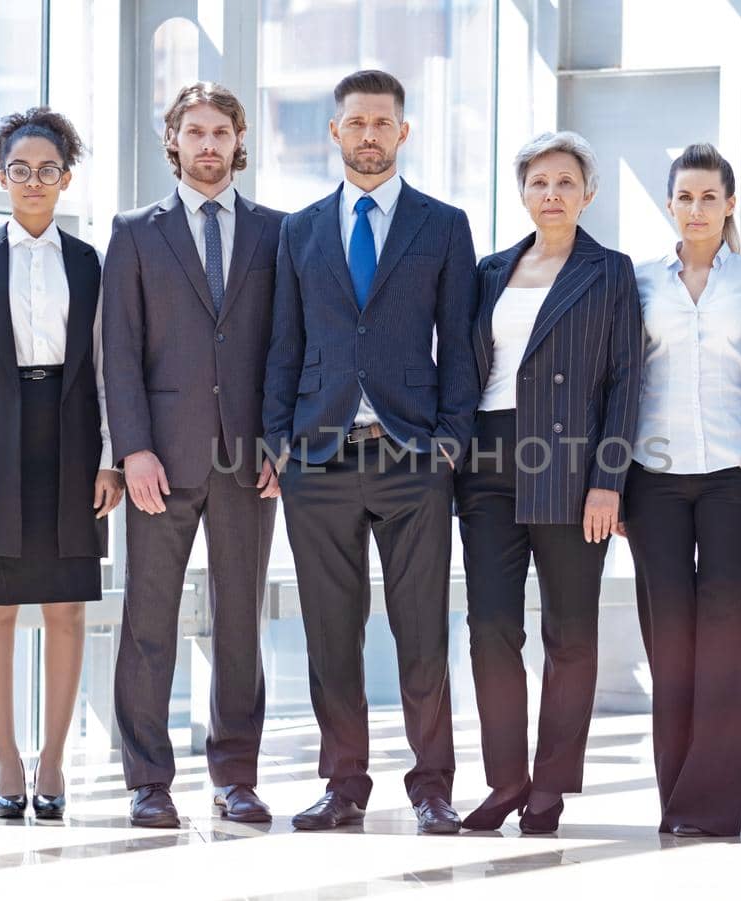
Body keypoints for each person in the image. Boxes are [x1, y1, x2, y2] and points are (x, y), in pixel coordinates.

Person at [262, 69, 479, 835]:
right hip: (317, 459)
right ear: (335, 132)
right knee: (331, 631)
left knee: (420, 627)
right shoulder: (300, 230)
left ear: (403, 132)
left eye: (382, 123)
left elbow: (459, 344)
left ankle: (432, 787)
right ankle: (344, 783)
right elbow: (282, 347)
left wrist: (452, 438)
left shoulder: (443, 225)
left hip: (412, 453)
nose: (368, 135)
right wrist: (278, 443)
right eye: (355, 123)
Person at [0, 107, 123, 821]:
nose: (34, 181)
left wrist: (109, 459)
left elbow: (107, 366)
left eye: (47, 170)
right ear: (2, 176)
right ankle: (6, 757)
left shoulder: (89, 261)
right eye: (20, 169)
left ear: (66, 178)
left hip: (71, 439)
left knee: (67, 607)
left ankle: (52, 760)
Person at [102, 82, 286, 829]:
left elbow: (287, 347)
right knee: (149, 620)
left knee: (240, 618)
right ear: (172, 140)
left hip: (249, 458)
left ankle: (235, 774)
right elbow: (117, 350)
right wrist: (133, 450)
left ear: (239, 141)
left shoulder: (278, 233)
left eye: (221, 132)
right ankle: (149, 780)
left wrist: (280, 438)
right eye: (195, 131)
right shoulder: (135, 232)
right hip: (161, 462)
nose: (208, 145)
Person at [457, 131, 640, 835]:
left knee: (569, 632)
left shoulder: (610, 271)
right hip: (489, 462)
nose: (552, 194)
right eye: (539, 182)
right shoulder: (489, 270)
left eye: (566, 182)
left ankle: (549, 788)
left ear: (588, 193)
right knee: (491, 627)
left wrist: (609, 480)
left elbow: (626, 381)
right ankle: (506, 780)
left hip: (571, 463)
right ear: (523, 192)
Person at [622, 143, 741, 838]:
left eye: (708, 197)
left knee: (724, 641)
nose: (696, 209)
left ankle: (712, 806)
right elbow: (621, 375)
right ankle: (674, 797)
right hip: (652, 480)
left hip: (732, 479)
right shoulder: (639, 280)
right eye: (684, 198)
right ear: (669, 204)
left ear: (730, 203)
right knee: (670, 644)